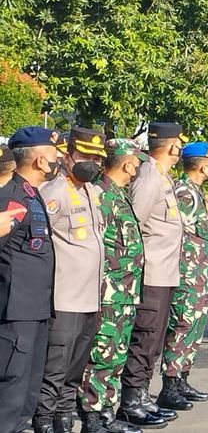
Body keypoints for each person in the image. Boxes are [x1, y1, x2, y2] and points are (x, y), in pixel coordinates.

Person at [77, 139, 153, 433]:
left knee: (116, 354)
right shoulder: (101, 197)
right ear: (126, 162)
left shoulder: (117, 195)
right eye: (136, 161)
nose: (137, 167)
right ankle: (92, 417)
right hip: (109, 293)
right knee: (102, 354)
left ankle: (106, 412)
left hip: (124, 292)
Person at [118, 123, 191, 426]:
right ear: (173, 146)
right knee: (145, 336)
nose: (179, 150)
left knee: (154, 339)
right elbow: (135, 222)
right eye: (178, 144)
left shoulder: (161, 175)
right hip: (150, 273)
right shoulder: (149, 175)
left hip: (164, 273)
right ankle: (131, 400)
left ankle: (143, 394)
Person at [34, 127, 106, 433]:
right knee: (56, 364)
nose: (89, 162)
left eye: (95, 157)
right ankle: (44, 419)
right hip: (65, 296)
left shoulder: (91, 190)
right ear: (68, 155)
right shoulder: (54, 193)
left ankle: (64, 415)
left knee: (76, 365)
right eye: (84, 155)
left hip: (90, 295)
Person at [0, 127, 58, 433]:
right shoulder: (9, 197)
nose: (58, 158)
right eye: (53, 154)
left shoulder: (31, 194)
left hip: (36, 308)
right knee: (10, 393)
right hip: (15, 311)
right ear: (38, 160)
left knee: (28, 392)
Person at [160, 142, 208, 407]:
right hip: (187, 271)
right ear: (204, 165)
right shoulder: (184, 191)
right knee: (182, 325)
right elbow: (177, 233)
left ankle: (182, 378)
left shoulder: (194, 190)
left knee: (194, 326)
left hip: (198, 272)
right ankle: (170, 385)